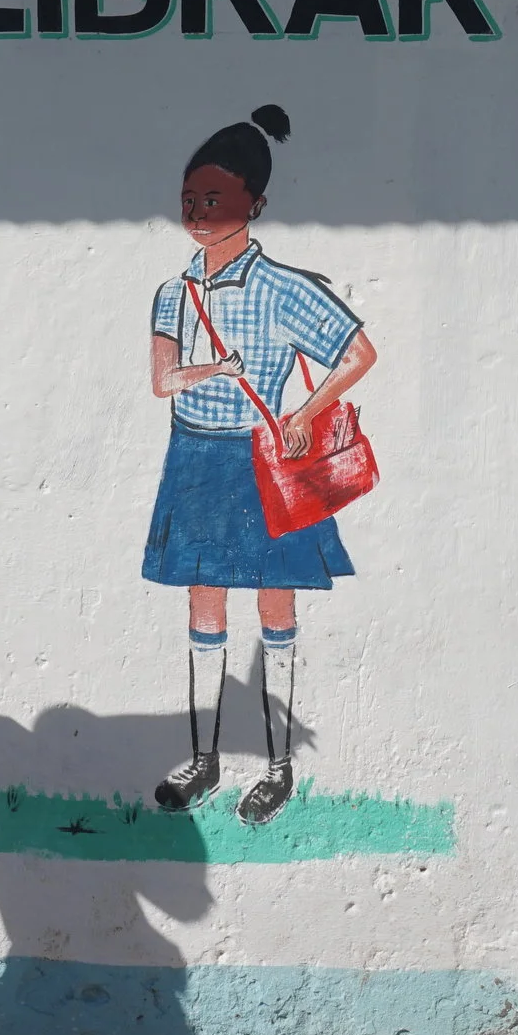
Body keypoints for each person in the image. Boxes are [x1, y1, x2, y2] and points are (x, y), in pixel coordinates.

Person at [144, 105, 377, 826]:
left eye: (213, 199)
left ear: (255, 204)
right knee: (202, 604)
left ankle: (277, 767)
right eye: (189, 200)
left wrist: (304, 415)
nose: (198, 213)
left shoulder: (280, 287)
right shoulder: (173, 292)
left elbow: (358, 353)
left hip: (260, 458)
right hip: (195, 456)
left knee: (275, 605)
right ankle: (205, 759)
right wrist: (213, 366)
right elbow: (163, 381)